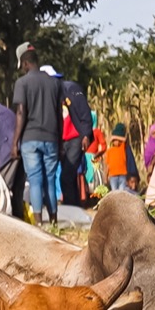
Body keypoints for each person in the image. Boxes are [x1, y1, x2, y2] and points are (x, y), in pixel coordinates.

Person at [12, 44, 67, 224]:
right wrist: (60, 142)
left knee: (35, 181)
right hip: (51, 138)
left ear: (26, 63)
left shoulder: (22, 83)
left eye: (22, 65)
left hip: (30, 139)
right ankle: (53, 220)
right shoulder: (54, 83)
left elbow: (21, 112)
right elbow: (59, 115)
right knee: (50, 180)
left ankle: (38, 223)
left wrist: (15, 142)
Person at [57, 71, 99, 208]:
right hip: (62, 141)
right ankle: (74, 205)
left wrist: (86, 134)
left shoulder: (72, 90)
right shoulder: (50, 96)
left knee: (66, 175)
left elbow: (85, 111)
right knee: (69, 175)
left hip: (75, 138)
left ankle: (70, 207)